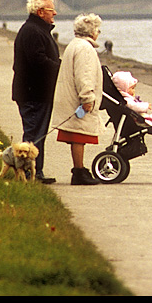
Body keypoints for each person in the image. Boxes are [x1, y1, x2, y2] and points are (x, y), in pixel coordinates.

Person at [11, 0, 61, 184]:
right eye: (51, 10)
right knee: (34, 133)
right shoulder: (33, 31)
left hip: (37, 92)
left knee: (37, 132)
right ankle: (30, 173)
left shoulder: (37, 29)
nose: (54, 13)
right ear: (40, 12)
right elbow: (38, 61)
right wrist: (60, 68)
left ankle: (35, 171)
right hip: (33, 93)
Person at [52, 13, 105, 185]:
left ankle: (80, 169)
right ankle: (79, 172)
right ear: (92, 31)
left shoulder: (74, 45)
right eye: (97, 29)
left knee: (76, 135)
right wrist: (87, 97)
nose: (99, 32)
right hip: (78, 99)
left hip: (71, 97)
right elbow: (85, 75)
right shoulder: (85, 49)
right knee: (79, 135)